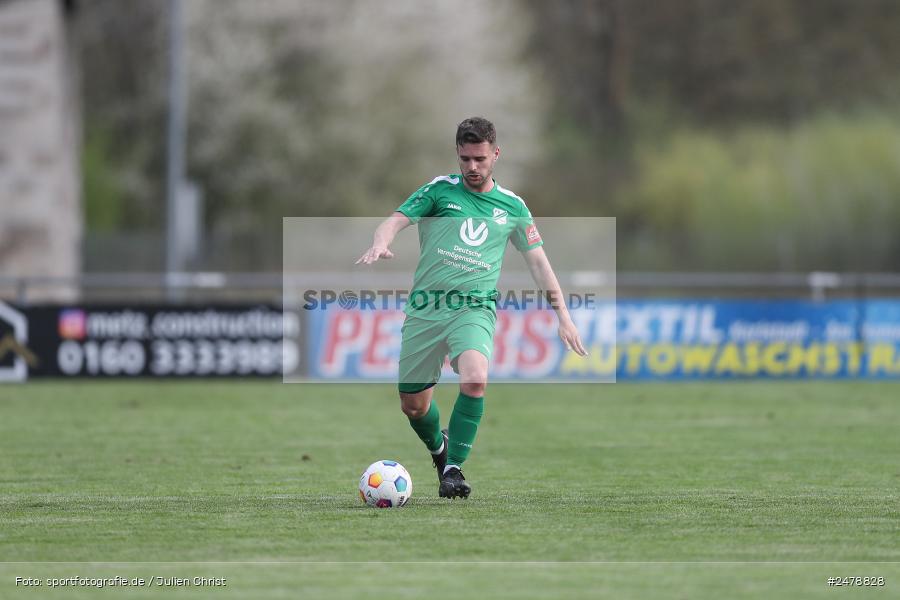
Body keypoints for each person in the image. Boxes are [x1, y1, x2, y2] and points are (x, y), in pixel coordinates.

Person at [356, 117, 586, 498]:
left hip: (473, 308)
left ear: (496, 154)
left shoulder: (512, 206)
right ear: (458, 156)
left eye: (480, 159)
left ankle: (453, 471)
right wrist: (380, 241)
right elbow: (394, 222)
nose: (472, 167)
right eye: (465, 159)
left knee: (476, 377)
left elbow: (539, 263)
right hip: (426, 309)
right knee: (413, 407)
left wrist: (563, 315)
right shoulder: (438, 192)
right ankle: (439, 449)